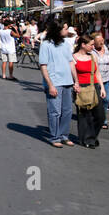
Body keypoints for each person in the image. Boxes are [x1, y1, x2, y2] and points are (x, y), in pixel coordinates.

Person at [39, 17, 76, 147]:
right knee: (55, 111)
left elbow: (71, 62)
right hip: (55, 82)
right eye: (65, 28)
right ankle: (55, 137)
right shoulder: (46, 45)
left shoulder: (65, 44)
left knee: (67, 111)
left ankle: (64, 135)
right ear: (57, 29)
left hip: (67, 81)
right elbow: (43, 66)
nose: (67, 30)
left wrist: (75, 81)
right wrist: (50, 84)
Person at [71, 32, 105, 147]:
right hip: (81, 88)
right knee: (84, 116)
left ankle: (92, 136)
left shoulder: (93, 56)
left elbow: (98, 73)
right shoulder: (74, 57)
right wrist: (75, 86)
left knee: (100, 116)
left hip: (94, 86)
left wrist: (102, 88)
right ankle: (86, 139)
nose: (93, 47)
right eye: (91, 45)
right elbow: (71, 74)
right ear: (83, 45)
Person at [91, 31, 109, 129]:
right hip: (94, 79)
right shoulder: (91, 50)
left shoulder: (107, 49)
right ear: (94, 42)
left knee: (106, 99)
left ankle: (102, 118)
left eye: (102, 40)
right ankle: (98, 118)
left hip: (106, 78)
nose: (101, 43)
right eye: (99, 41)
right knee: (95, 100)